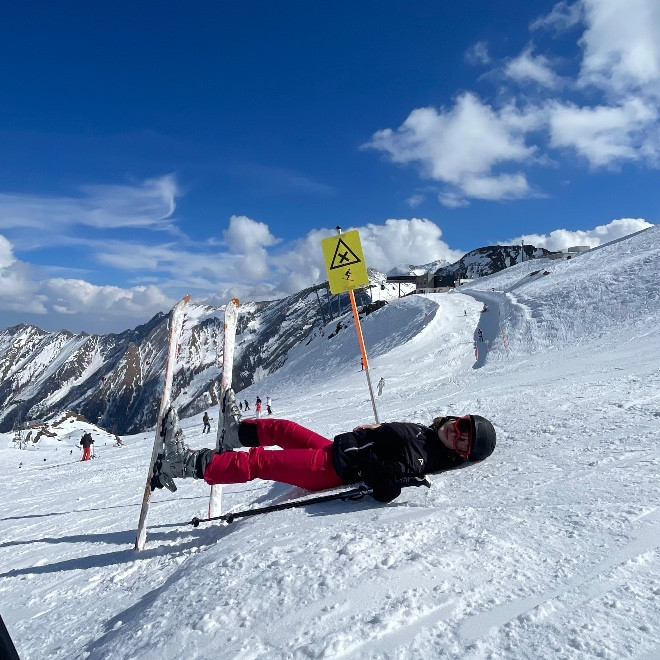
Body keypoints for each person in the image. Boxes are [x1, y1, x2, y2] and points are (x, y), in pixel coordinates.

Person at [151, 389, 496, 503]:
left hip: (332, 469)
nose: (456, 433)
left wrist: (372, 461)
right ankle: (234, 434)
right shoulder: (426, 436)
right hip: (338, 450)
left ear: (458, 455)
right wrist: (375, 433)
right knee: (283, 429)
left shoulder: (422, 458)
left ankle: (182, 465)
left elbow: (387, 486)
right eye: (462, 427)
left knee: (260, 463)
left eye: (462, 442)